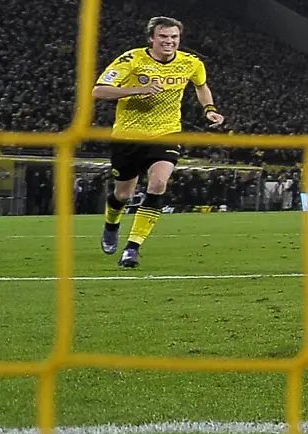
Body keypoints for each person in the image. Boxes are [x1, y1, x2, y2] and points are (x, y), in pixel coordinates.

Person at [93, 16, 225, 268]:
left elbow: (201, 86)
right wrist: (136, 90)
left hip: (167, 133)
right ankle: (111, 223)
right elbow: (99, 90)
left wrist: (209, 108)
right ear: (151, 38)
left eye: (174, 37)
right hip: (128, 136)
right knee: (123, 194)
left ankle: (132, 248)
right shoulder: (131, 60)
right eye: (163, 37)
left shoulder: (191, 62)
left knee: (158, 183)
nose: (169, 41)